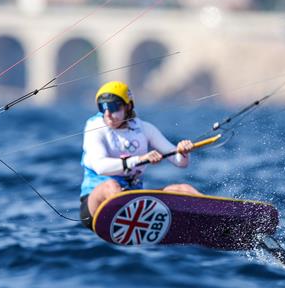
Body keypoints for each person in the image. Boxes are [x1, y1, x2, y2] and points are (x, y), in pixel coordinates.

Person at [79, 81, 200, 228]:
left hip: (134, 202)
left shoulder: (144, 129)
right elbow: (100, 167)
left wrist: (183, 151)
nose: (108, 114)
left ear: (128, 106)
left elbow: (180, 162)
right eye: (102, 108)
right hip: (95, 206)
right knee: (111, 185)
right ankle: (132, 221)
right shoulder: (95, 127)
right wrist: (139, 160)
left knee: (183, 189)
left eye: (113, 107)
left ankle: (215, 218)